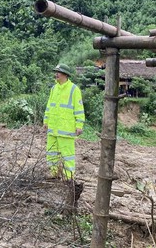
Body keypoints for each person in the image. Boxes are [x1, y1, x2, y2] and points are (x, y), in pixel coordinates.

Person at [43, 63, 85, 207]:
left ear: (65, 75)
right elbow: (50, 106)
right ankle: (53, 172)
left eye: (59, 72)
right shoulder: (54, 89)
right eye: (56, 72)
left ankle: (68, 178)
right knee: (52, 152)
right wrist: (46, 120)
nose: (56, 74)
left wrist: (79, 125)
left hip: (66, 129)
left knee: (67, 154)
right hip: (53, 128)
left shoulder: (74, 90)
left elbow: (79, 108)